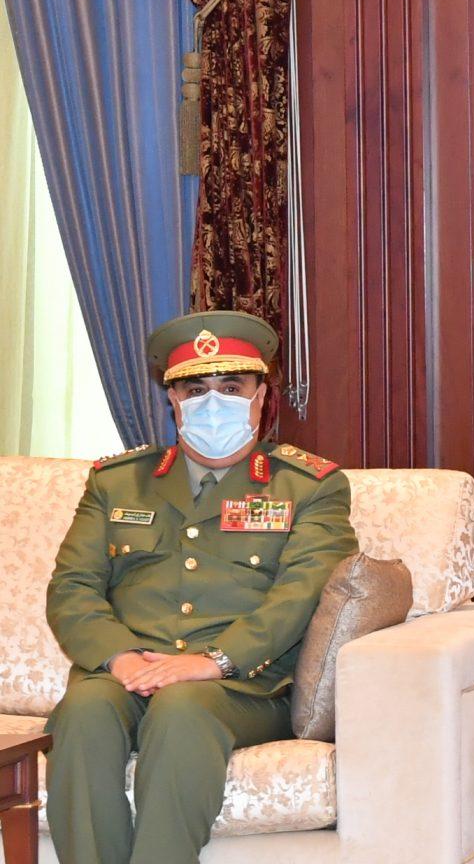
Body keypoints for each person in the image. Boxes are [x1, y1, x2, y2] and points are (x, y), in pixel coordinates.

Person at [44, 311, 355, 864]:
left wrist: (215, 661)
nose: (214, 404)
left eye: (231, 388)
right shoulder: (117, 482)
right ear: (173, 400)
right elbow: (72, 587)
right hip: (128, 672)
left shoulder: (307, 486)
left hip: (242, 688)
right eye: (195, 390)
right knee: (84, 710)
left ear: (262, 396)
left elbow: (300, 596)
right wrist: (120, 659)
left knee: (183, 709)